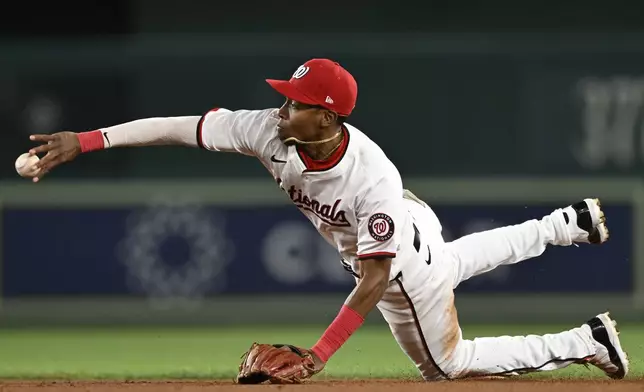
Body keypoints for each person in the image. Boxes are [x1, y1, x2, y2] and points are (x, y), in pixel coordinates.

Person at [24, 58, 628, 382]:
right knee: (454, 261)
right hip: (410, 221)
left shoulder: (370, 177)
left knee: (447, 366)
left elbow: (372, 281)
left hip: (395, 263)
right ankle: (563, 225)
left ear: (329, 117)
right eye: (286, 96)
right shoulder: (269, 129)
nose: (283, 107)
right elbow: (177, 129)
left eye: (296, 102)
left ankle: (582, 341)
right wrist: (86, 140)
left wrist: (319, 355)